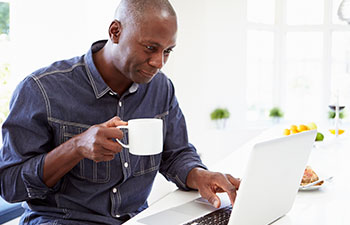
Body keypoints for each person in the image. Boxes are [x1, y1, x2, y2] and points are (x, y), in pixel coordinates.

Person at [0, 0, 240, 224]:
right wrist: (76, 147)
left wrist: (199, 175)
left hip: (135, 220)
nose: (159, 62)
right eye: (150, 48)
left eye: (168, 51)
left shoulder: (161, 88)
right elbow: (10, 185)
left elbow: (176, 154)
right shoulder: (41, 89)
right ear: (115, 32)